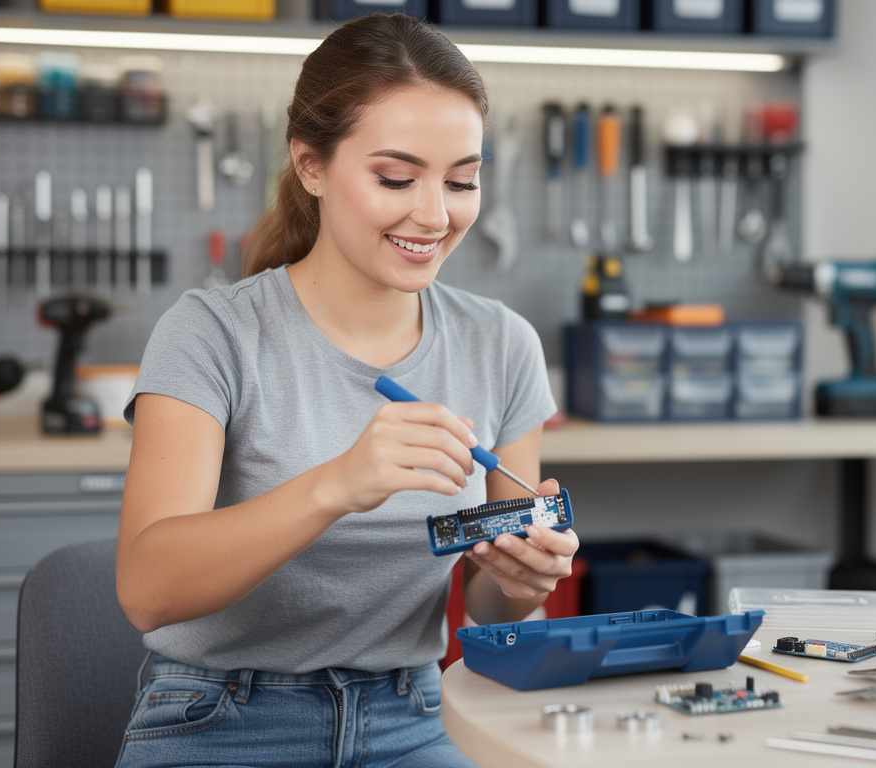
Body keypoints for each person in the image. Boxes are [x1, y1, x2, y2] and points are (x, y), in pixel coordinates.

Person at [113, 13, 575, 767]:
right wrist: (337, 485)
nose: (434, 213)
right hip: (220, 717)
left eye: (462, 179)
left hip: (414, 715)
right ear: (311, 165)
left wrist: (524, 581)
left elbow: (493, 619)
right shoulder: (210, 333)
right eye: (396, 178)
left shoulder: (504, 344)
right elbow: (147, 587)